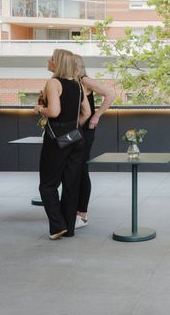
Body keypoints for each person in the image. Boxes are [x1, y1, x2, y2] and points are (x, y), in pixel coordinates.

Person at [34, 48, 90, 239]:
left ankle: (58, 226)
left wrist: (40, 109)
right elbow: (86, 112)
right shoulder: (77, 84)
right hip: (76, 138)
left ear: (57, 63)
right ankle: (69, 228)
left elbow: (54, 112)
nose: (48, 60)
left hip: (56, 140)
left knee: (47, 185)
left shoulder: (53, 83)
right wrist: (73, 129)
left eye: (51, 58)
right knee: (70, 184)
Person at [73, 53, 115, 229]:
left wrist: (97, 115)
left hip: (86, 130)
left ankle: (82, 214)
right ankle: (74, 210)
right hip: (74, 129)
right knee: (74, 169)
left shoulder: (84, 80)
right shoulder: (70, 82)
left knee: (82, 169)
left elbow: (110, 94)